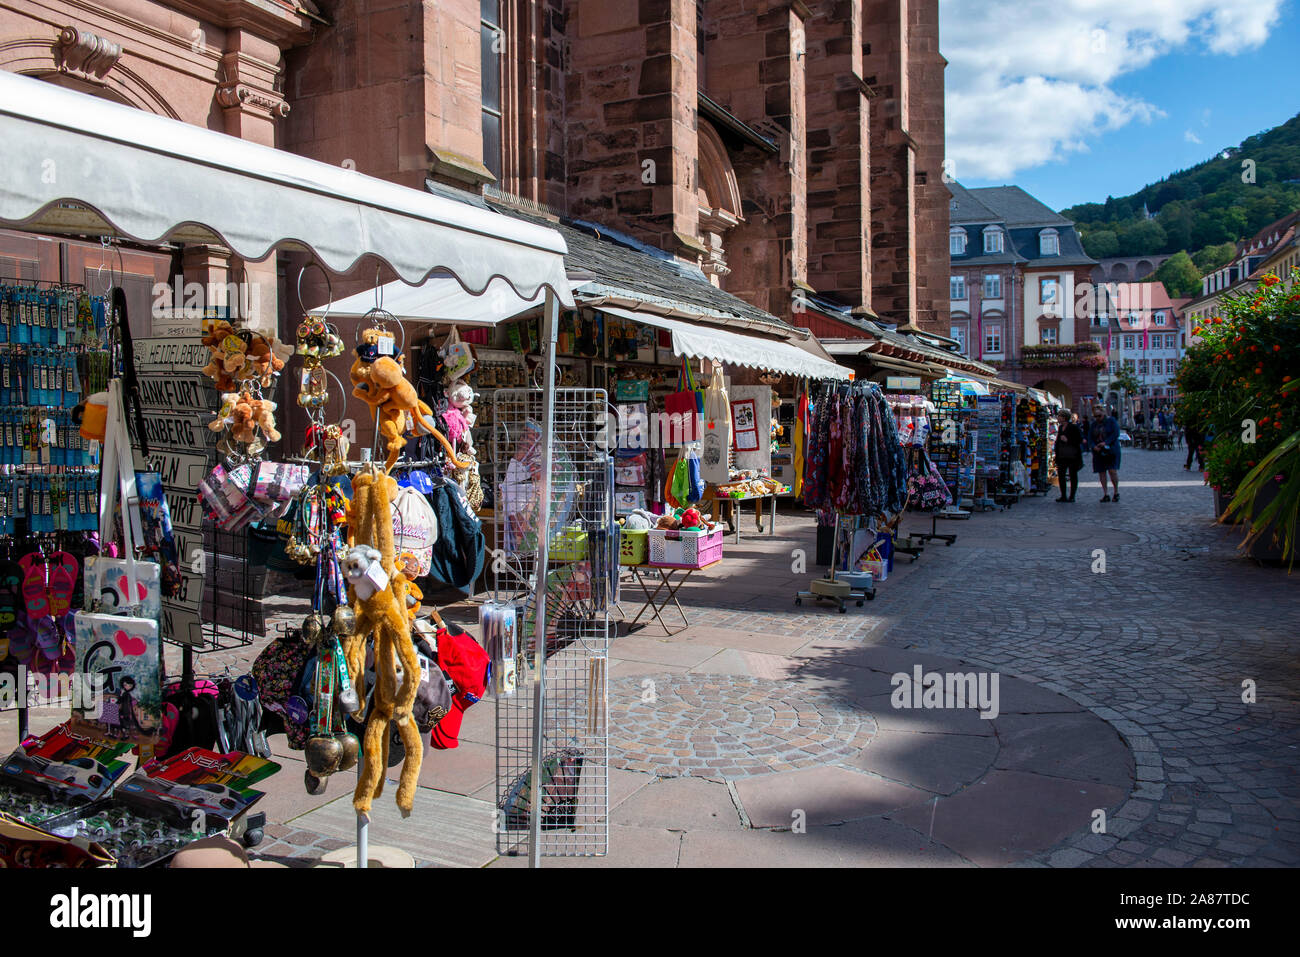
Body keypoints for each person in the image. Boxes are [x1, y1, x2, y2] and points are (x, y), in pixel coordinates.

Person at [1085, 405, 1122, 502]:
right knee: (1101, 472)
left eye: (1099, 416)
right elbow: (1090, 437)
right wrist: (1094, 446)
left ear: (1103, 413)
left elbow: (1116, 434)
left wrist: (1106, 442)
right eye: (1095, 416)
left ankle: (1116, 492)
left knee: (1112, 471)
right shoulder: (1094, 424)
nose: (1097, 418)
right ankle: (1105, 494)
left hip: (1111, 450)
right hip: (1098, 451)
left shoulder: (1111, 421)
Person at [1053, 410, 1084, 502]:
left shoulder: (1073, 427)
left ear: (1064, 418)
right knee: (1061, 476)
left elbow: (1079, 440)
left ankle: (1072, 496)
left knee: (1073, 475)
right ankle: (1063, 495)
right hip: (1062, 456)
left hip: (1072, 456)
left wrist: (1068, 440)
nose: (1058, 418)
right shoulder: (1060, 427)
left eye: (1059, 416)